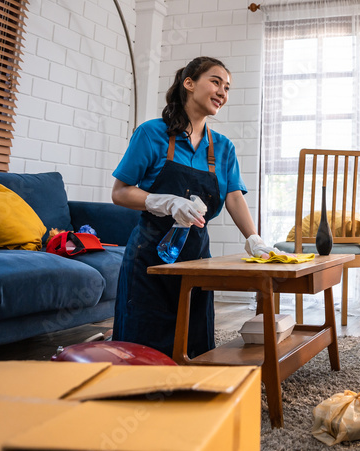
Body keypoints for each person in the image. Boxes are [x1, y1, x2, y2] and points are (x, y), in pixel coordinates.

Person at [111, 56, 274, 359]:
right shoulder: (152, 133)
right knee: (143, 345)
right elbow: (120, 193)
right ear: (189, 83)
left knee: (195, 341)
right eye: (215, 81)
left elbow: (234, 196)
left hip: (198, 257)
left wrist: (254, 238)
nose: (222, 92)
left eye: (227, 87)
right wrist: (163, 201)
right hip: (150, 256)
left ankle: (191, 400)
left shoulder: (223, 147)